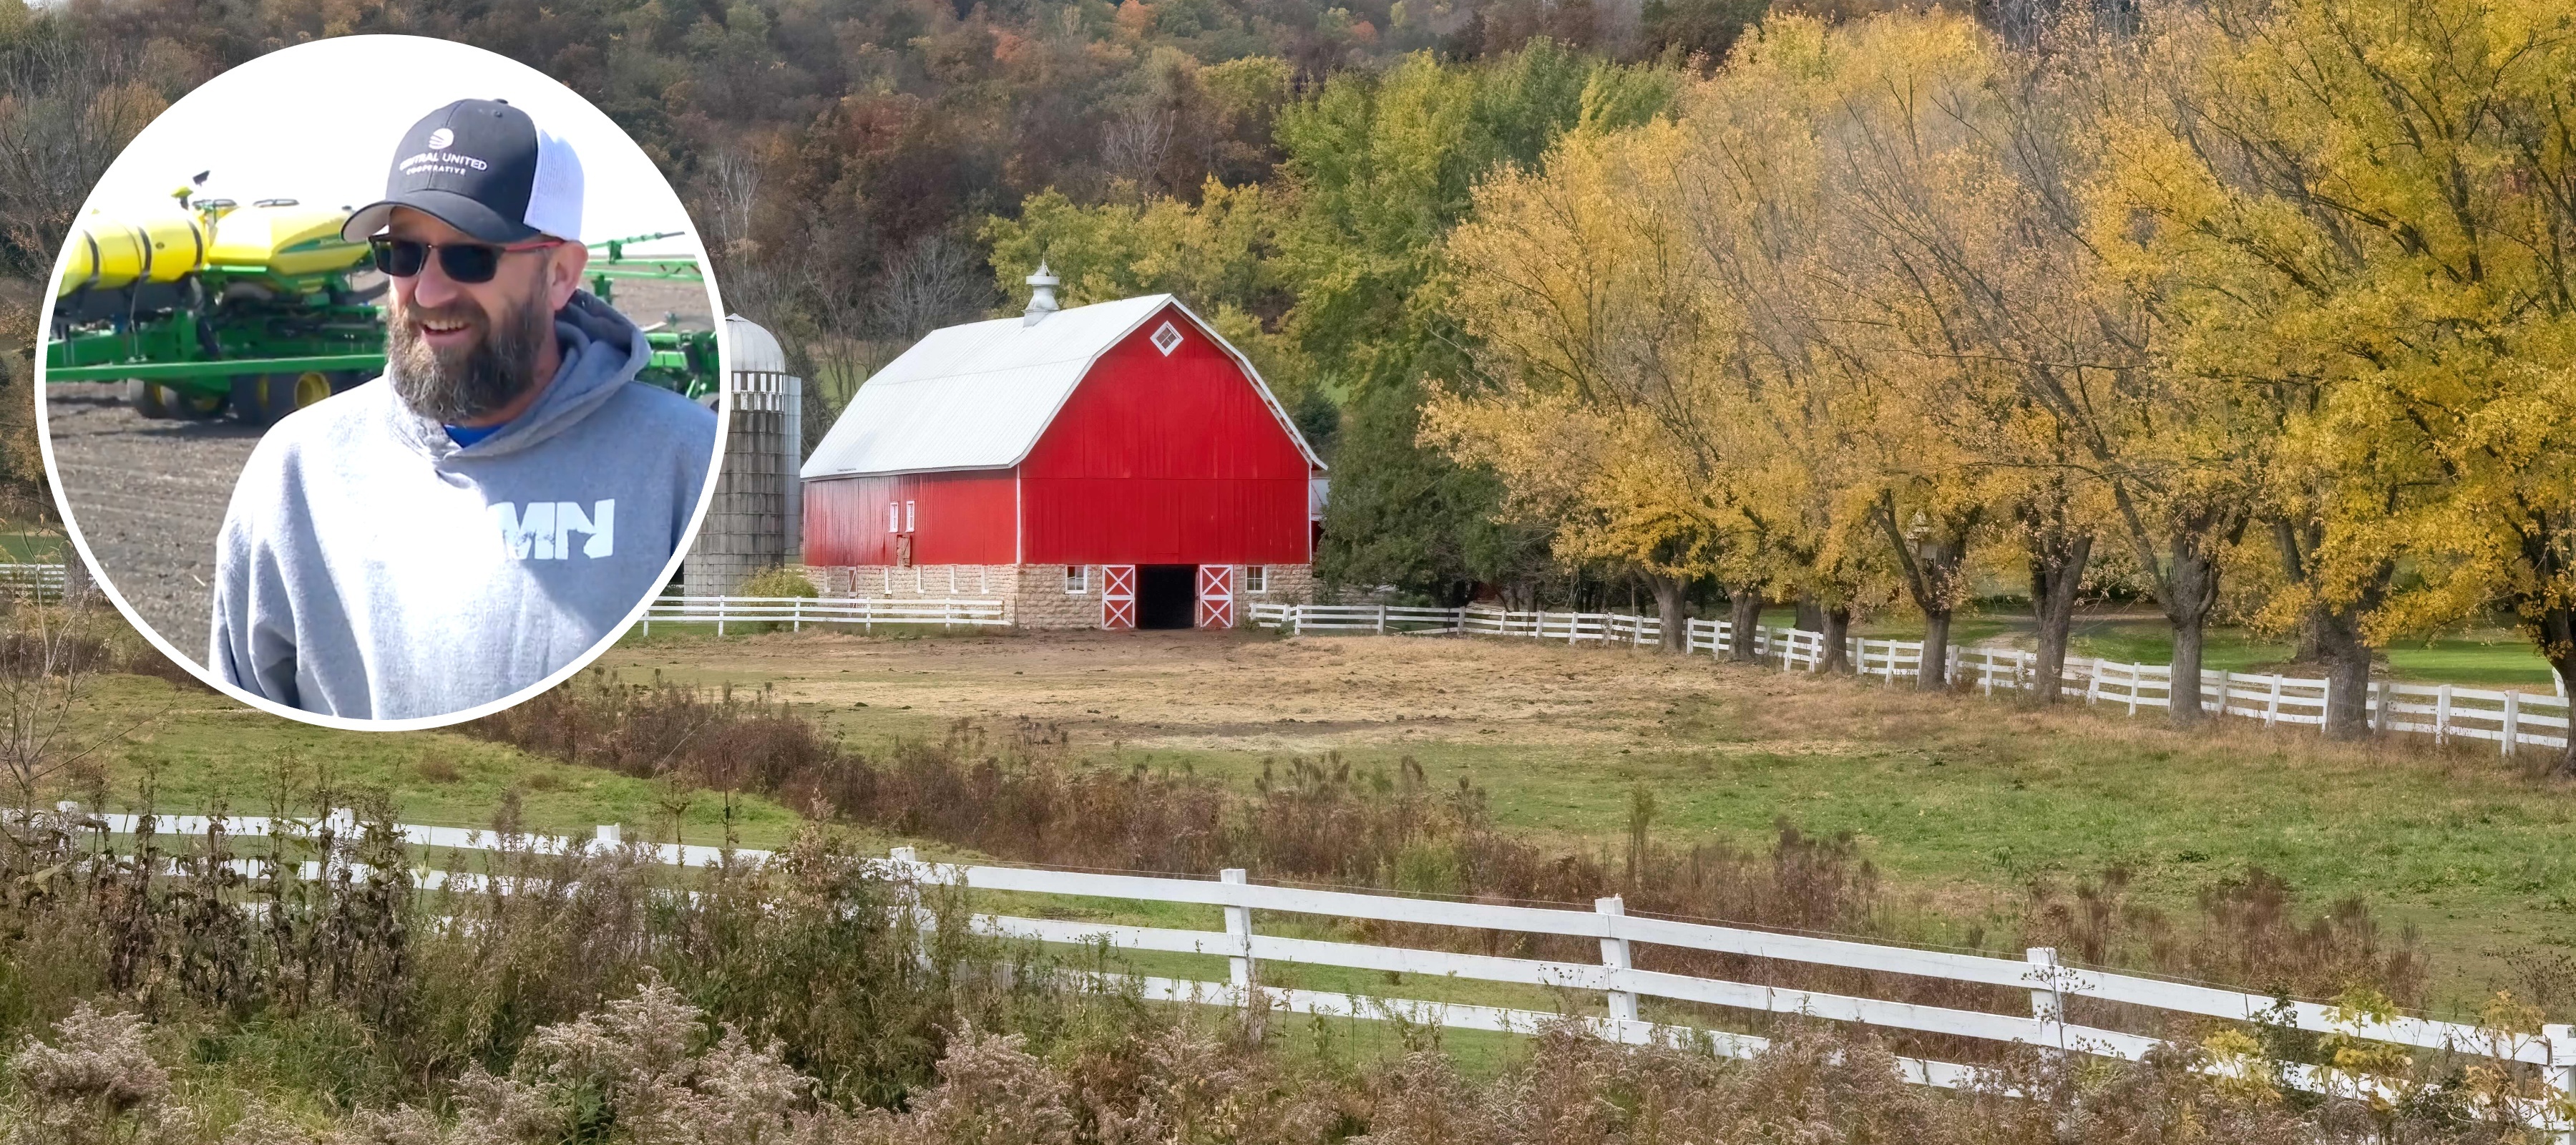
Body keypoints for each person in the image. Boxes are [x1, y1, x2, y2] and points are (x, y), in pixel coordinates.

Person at [209, 97, 717, 720]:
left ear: (560, 274)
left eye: (471, 255)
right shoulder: (295, 473)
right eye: (402, 253)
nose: (427, 290)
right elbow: (241, 731)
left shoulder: (685, 464)